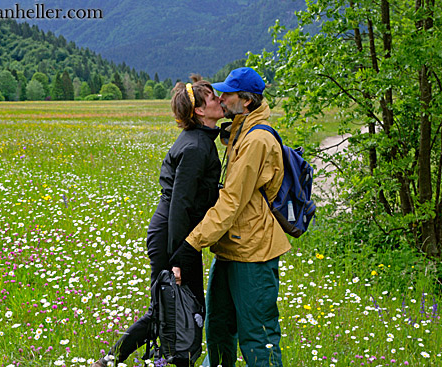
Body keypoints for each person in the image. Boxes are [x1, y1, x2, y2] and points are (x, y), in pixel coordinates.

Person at [91, 78, 224, 367]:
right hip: (172, 235)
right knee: (175, 309)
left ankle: (114, 360)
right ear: (200, 111)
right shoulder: (196, 148)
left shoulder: (201, 140)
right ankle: (115, 360)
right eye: (213, 98)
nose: (220, 101)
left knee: (172, 308)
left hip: (174, 233)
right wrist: (179, 256)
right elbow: (181, 205)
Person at [170, 67, 292, 367]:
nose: (221, 98)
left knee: (257, 334)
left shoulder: (256, 140)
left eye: (227, 94)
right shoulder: (241, 127)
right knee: (218, 329)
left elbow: (232, 202)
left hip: (253, 251)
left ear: (246, 101)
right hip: (231, 247)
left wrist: (192, 243)